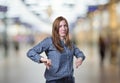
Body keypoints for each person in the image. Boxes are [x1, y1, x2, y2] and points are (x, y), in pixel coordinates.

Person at [27, 16, 85, 83]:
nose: (63, 28)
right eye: (60, 26)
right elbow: (31, 52)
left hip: (69, 80)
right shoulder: (49, 41)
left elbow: (79, 53)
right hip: (54, 80)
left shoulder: (69, 43)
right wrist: (42, 59)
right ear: (55, 29)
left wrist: (80, 58)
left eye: (65, 26)